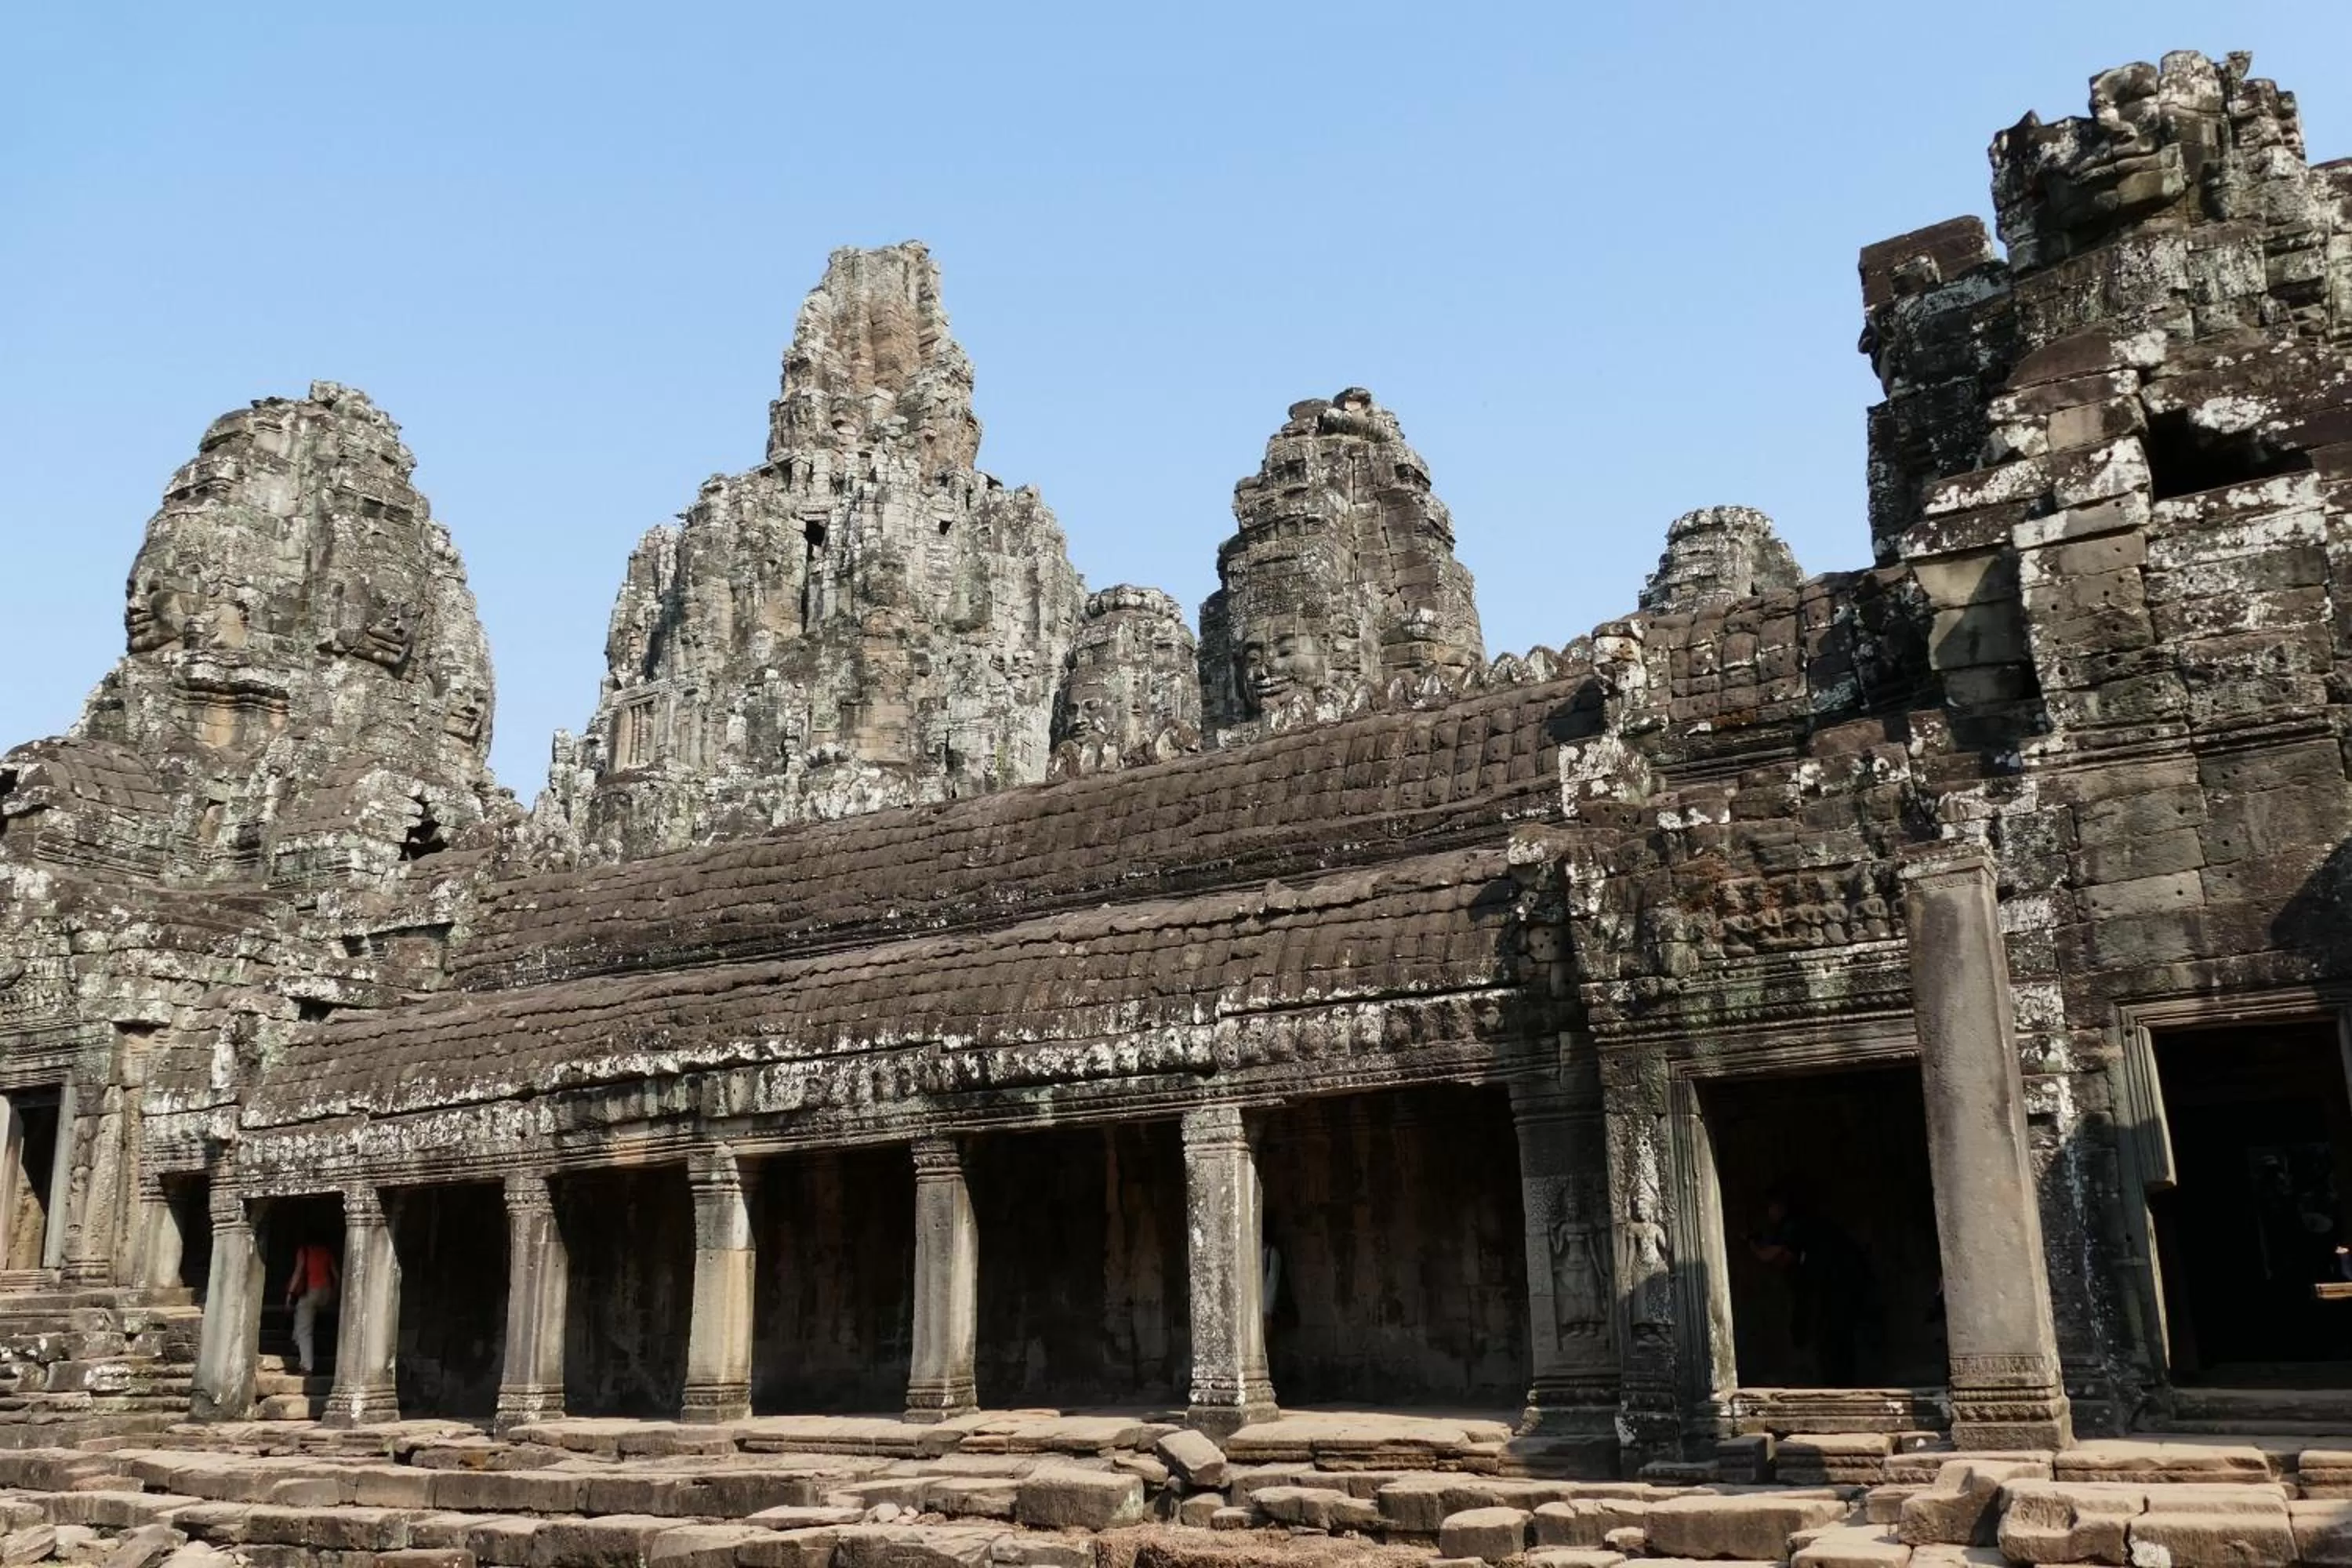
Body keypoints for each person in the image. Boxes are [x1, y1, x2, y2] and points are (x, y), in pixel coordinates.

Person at [1748, 1189, 1876, 1385]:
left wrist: (1753, 1245)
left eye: (1771, 1207)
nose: (1769, 1213)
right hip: (1837, 1286)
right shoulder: (1805, 1225)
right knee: (1834, 1336)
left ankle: (1839, 1384)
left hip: (1838, 1285)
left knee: (1833, 1337)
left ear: (1781, 1206)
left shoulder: (1795, 1225)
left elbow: (1774, 1256)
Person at [285, 1236, 339, 1375]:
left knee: (304, 1330)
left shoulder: (304, 1251)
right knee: (301, 1314)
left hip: (311, 1291)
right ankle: (295, 1340)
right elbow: (336, 1276)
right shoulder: (326, 1251)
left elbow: (298, 1272)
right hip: (326, 1292)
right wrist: (334, 1294)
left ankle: (306, 1366)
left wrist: (290, 1294)